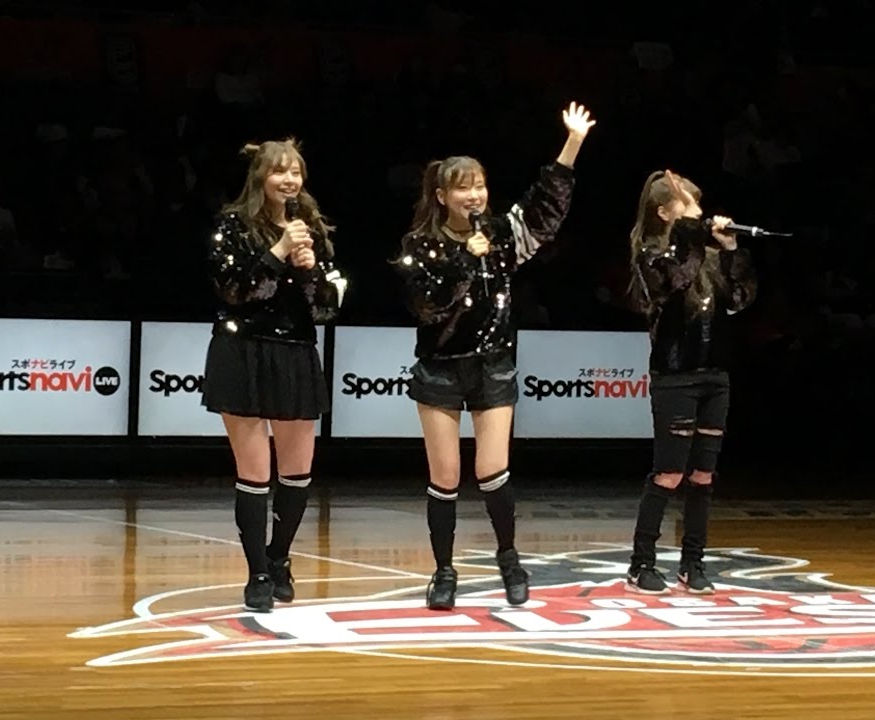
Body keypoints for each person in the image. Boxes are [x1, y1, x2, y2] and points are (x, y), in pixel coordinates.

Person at [395, 102, 596, 610]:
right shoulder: (421, 245)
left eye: (480, 185)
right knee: (445, 476)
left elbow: (545, 210)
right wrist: (467, 259)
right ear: (442, 195)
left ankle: (510, 560)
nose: (475, 195)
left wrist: (572, 143)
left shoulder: (501, 235)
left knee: (492, 470)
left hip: (492, 364)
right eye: (463, 187)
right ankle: (444, 571)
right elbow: (426, 305)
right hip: (440, 368)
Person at [202, 139, 347, 613]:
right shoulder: (233, 225)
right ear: (260, 177)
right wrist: (279, 251)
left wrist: (311, 273)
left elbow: (327, 309)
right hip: (242, 350)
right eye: (279, 172)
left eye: (296, 172)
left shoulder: (313, 230)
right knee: (254, 473)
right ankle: (257, 573)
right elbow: (236, 290)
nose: (289, 180)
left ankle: (279, 557)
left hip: (295, 353)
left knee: (297, 471)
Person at [626, 169, 758, 595]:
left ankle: (693, 562)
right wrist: (696, 240)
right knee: (669, 474)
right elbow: (676, 281)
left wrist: (731, 250)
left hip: (715, 376)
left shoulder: (709, 255)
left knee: (703, 475)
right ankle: (641, 564)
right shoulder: (652, 256)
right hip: (675, 377)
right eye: (689, 204)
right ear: (664, 213)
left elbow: (739, 300)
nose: (700, 212)